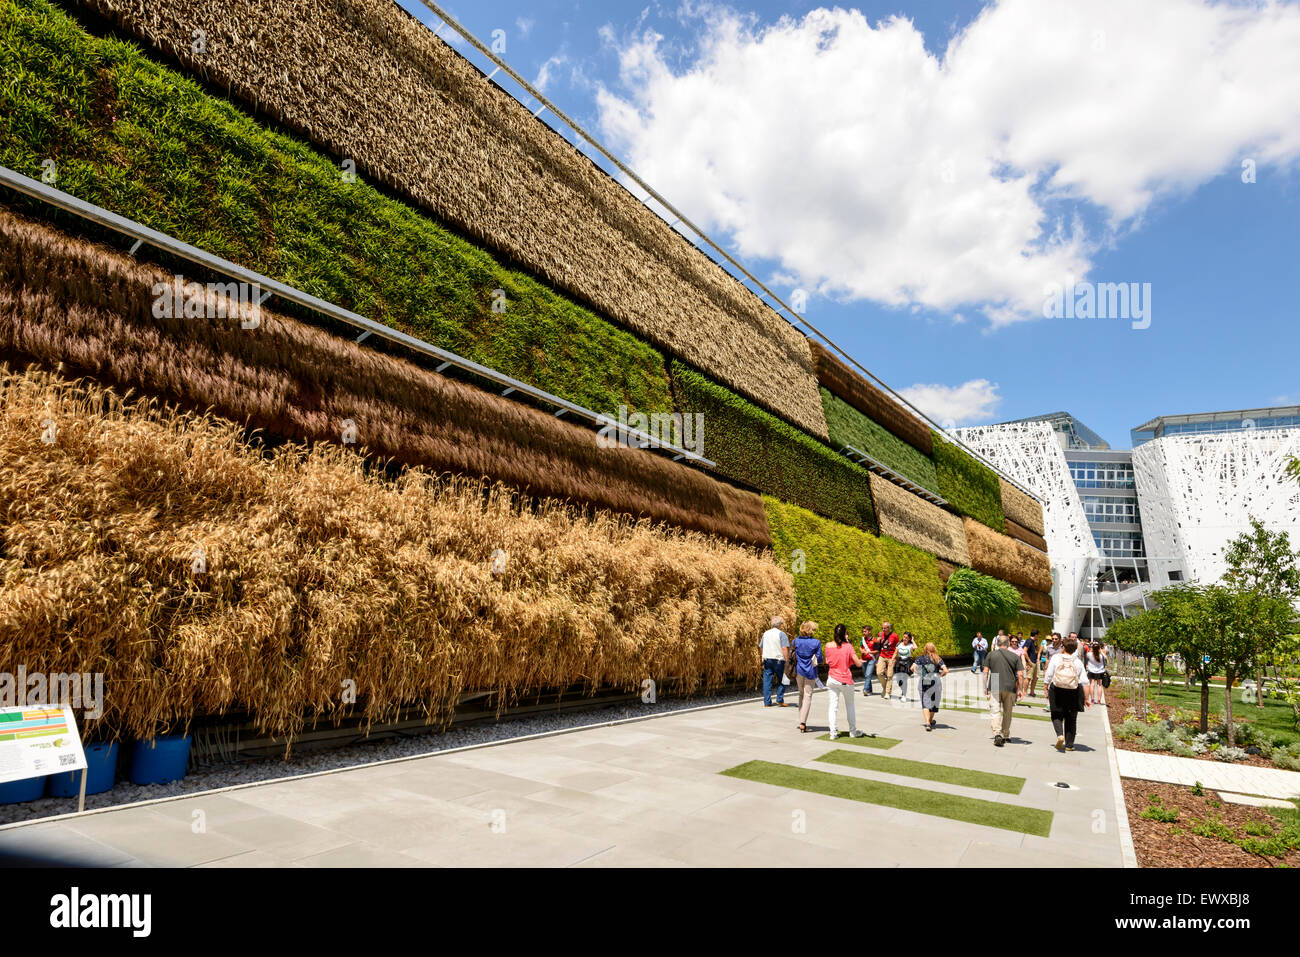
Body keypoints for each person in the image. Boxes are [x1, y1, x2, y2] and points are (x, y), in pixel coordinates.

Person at [825, 624, 867, 738]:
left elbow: (828, 661)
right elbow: (857, 663)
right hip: (845, 680)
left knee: (833, 706)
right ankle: (852, 731)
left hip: (832, 679)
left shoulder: (828, 645)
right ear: (844, 634)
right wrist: (859, 660)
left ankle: (833, 733)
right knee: (850, 706)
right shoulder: (848, 646)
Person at [1045, 637, 1086, 751]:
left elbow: (1049, 673)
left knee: (1056, 714)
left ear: (1063, 647)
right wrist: (1087, 697)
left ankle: (1060, 735)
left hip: (1056, 689)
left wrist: (1045, 685)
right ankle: (1069, 745)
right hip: (1073, 691)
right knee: (1071, 718)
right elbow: (1084, 680)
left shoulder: (1056, 658)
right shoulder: (1077, 662)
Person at [983, 634, 1022, 747]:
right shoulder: (1014, 656)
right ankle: (1006, 734)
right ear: (1008, 644)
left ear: (997, 644)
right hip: (1010, 683)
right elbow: (1020, 675)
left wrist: (984, 686)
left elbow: (985, 672)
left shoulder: (991, 654)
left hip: (995, 680)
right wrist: (1020, 689)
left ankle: (997, 733)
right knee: (1008, 712)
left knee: (995, 711)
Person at [792, 621, 826, 733]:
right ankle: (803, 722)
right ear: (811, 630)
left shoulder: (795, 641)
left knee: (801, 694)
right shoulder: (816, 642)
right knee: (808, 695)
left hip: (798, 671)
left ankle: (801, 719)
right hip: (811, 671)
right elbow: (820, 658)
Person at [911, 643, 948, 731]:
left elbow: (912, 668)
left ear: (926, 649)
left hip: (924, 681)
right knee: (934, 702)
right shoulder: (938, 659)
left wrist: (920, 674)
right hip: (936, 682)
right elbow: (946, 670)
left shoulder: (920, 658)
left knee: (925, 702)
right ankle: (930, 720)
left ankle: (927, 722)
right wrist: (940, 675)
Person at [759, 616, 790, 707]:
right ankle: (779, 699)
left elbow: (761, 646)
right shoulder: (782, 634)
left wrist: (763, 655)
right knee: (783, 679)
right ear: (780, 624)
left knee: (767, 680)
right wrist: (787, 660)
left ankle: (767, 702)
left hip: (767, 659)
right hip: (779, 660)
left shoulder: (766, 633)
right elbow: (784, 648)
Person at [874, 621, 900, 701]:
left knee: (889, 675)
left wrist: (894, 658)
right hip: (882, 655)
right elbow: (876, 643)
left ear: (889, 628)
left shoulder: (895, 636)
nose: (883, 629)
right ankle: (885, 688)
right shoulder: (880, 634)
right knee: (879, 673)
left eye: (885, 628)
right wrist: (877, 640)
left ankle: (887, 692)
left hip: (891, 657)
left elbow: (898, 647)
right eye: (882, 628)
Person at [894, 632, 917, 701]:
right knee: (898, 680)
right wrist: (892, 660)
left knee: (904, 679)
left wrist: (912, 640)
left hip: (907, 662)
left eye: (906, 638)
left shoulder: (910, 645)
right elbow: (895, 653)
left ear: (909, 638)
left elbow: (915, 647)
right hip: (899, 662)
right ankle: (903, 691)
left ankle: (904, 695)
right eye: (904, 637)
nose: (904, 639)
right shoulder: (899, 644)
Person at [1085, 641, 1109, 706]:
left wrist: (1092, 650)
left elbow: (1087, 657)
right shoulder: (1101, 655)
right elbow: (1107, 660)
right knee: (1099, 685)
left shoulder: (1089, 654)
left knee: (1092, 684)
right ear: (1099, 648)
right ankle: (1099, 700)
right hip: (1100, 671)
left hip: (1091, 671)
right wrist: (1101, 651)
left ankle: (1092, 699)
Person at [860, 625, 877, 696]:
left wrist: (869, 652)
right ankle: (870, 690)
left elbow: (877, 651)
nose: (863, 633)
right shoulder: (862, 639)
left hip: (871, 659)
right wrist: (862, 651)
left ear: (869, 631)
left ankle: (865, 689)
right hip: (863, 659)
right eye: (863, 631)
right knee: (866, 675)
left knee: (868, 674)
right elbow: (860, 647)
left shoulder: (874, 640)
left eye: (865, 631)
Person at [1023, 631, 1040, 697]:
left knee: (1036, 677)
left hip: (1035, 661)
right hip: (1030, 662)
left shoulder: (1033, 642)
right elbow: (1024, 651)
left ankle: (1032, 692)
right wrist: (1029, 661)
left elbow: (1037, 650)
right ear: (1035, 635)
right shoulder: (1029, 641)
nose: (1038, 637)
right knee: (1028, 677)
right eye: (1038, 635)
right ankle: (1025, 692)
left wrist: (1037, 643)